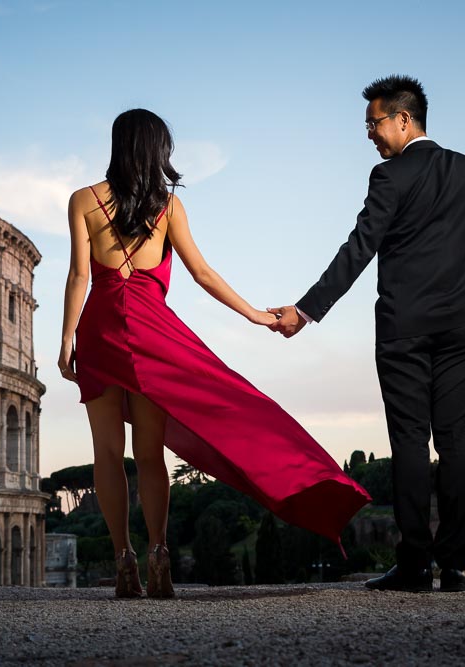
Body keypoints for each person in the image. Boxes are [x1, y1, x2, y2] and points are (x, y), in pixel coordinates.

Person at [60, 109, 370, 598]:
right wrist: (254, 314)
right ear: (158, 150)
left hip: (98, 333)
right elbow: (202, 273)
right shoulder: (168, 207)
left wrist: (65, 343)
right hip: (150, 336)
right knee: (149, 455)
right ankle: (159, 553)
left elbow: (80, 276)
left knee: (105, 454)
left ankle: (125, 561)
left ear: (118, 145)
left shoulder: (82, 200)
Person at [270, 75, 465, 593]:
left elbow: (359, 248)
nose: (369, 134)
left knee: (410, 441)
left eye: (374, 122)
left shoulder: (388, 177)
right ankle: (455, 566)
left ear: (403, 119)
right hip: (461, 328)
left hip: (402, 332)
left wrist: (306, 310)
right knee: (457, 443)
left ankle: (414, 565)